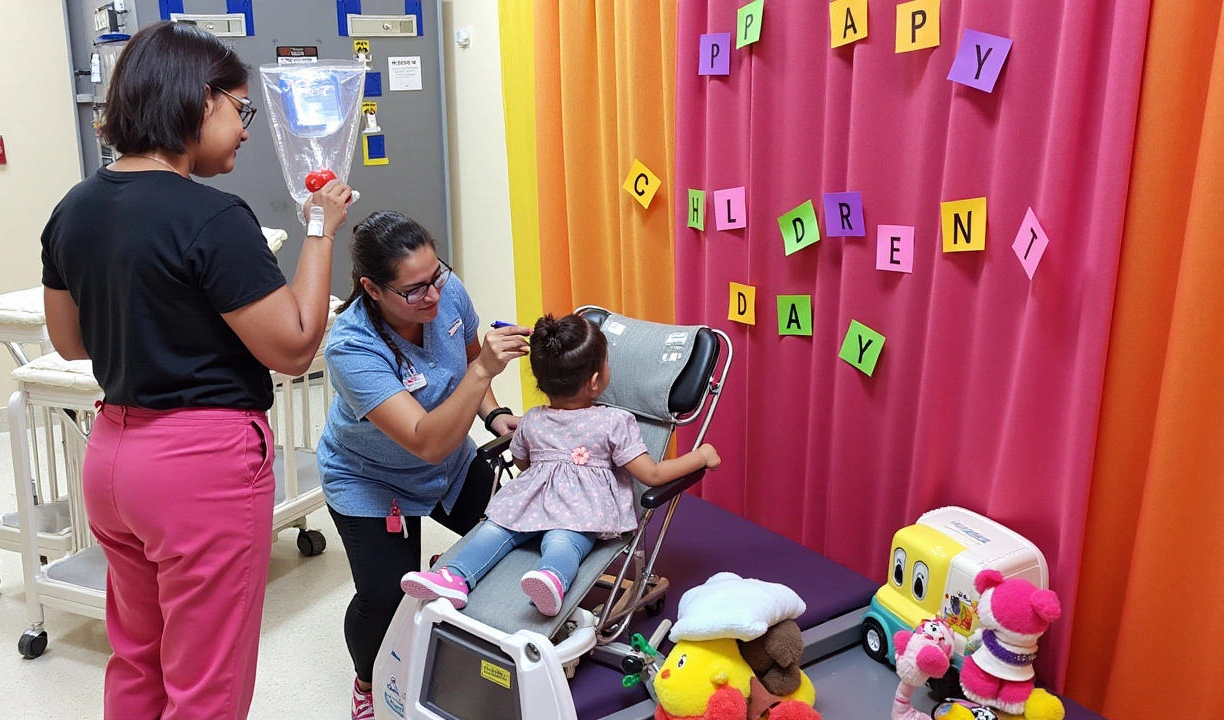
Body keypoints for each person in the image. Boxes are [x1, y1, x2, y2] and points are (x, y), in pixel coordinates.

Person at [40, 22, 351, 720]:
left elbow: (68, 341)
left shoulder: (74, 208)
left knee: (138, 659)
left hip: (114, 459)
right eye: (238, 111)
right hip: (198, 468)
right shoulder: (211, 218)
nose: (243, 131)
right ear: (196, 99)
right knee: (206, 684)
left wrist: (156, 321)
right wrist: (320, 229)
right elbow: (296, 346)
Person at [317, 210, 529, 720]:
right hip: (369, 477)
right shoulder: (351, 347)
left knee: (514, 539)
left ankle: (462, 611)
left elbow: (468, 353)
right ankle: (367, 682)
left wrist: (494, 411)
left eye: (436, 276)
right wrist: (481, 373)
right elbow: (423, 442)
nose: (432, 295)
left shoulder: (444, 290)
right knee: (385, 596)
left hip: (448, 461)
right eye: (414, 290)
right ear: (371, 287)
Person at [400, 313, 721, 616]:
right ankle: (552, 578)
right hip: (582, 512)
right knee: (564, 543)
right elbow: (651, 474)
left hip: (528, 505)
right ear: (596, 381)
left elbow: (523, 464)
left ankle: (453, 576)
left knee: (494, 531)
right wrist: (700, 456)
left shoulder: (532, 420)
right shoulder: (614, 422)